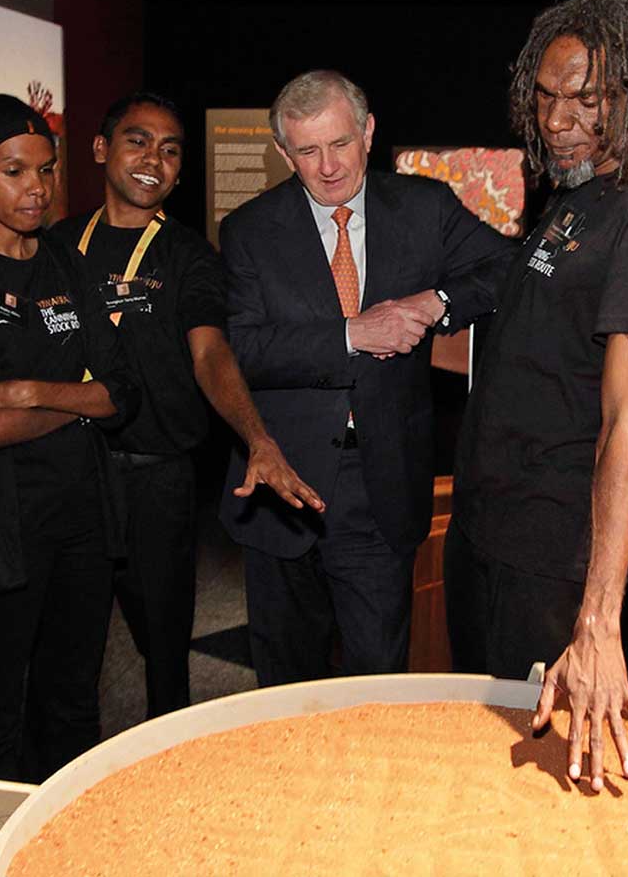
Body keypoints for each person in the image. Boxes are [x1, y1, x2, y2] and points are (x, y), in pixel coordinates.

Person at [445, 0, 628, 792]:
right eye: (547, 98)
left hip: (555, 558)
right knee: (484, 760)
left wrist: (598, 618)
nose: (557, 121)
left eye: (585, 102)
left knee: (550, 778)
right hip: (495, 528)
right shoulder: (577, 197)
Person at [219, 69, 516, 687]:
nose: (327, 167)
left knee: (378, 681)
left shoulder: (423, 209)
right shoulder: (248, 230)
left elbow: (509, 268)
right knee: (283, 684)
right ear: (283, 153)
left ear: (369, 131)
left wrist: (434, 303)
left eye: (340, 143)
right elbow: (242, 347)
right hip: (283, 483)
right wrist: (352, 334)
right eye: (307, 151)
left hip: (379, 487)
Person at [0, 94, 140, 867]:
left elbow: (121, 393)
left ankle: (65, 853)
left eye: (45, 170)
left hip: (82, 517)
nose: (36, 188)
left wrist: (35, 394)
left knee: (72, 701)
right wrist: (76, 404)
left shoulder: (64, 262)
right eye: (14, 171)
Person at [52, 92, 321, 718]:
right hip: (70, 469)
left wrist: (257, 436)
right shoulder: (59, 247)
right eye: (138, 141)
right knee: (69, 647)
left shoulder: (190, 255)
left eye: (171, 150)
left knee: (164, 649)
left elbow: (211, 354)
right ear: (101, 149)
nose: (155, 158)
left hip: (155, 476)